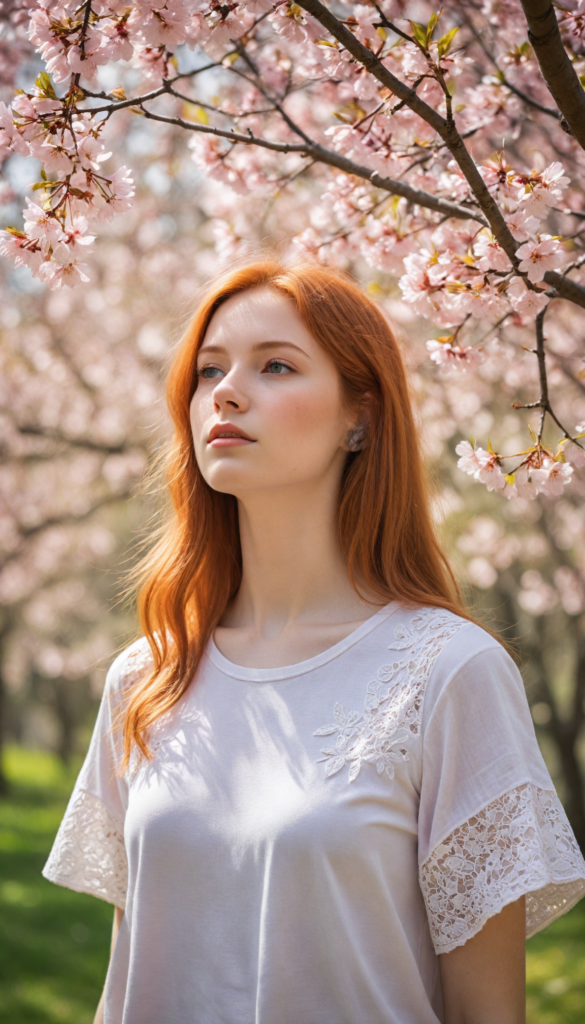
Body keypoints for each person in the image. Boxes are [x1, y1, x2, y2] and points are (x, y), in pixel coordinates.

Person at [43, 257, 585, 1024]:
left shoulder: (448, 673)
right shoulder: (149, 676)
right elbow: (125, 984)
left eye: (275, 366)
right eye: (207, 370)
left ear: (359, 417)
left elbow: (486, 1013)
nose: (225, 391)